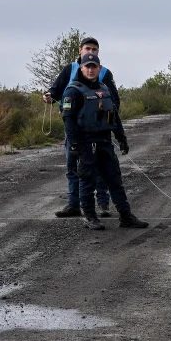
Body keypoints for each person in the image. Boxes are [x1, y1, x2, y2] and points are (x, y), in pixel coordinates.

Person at [60, 55, 148, 230]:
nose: (91, 70)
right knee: (87, 182)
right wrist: (75, 144)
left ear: (99, 69)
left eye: (94, 67)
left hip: (104, 143)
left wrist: (121, 137)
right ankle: (90, 218)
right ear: (81, 68)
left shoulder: (104, 89)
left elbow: (113, 116)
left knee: (114, 180)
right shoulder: (73, 91)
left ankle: (126, 216)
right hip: (85, 144)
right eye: (87, 67)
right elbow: (68, 120)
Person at [45, 36, 118, 217]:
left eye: (94, 49)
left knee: (100, 168)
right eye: (87, 48)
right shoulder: (70, 69)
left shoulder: (105, 73)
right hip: (74, 129)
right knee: (72, 166)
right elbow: (56, 90)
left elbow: (115, 101)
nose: (90, 52)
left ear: (98, 53)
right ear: (80, 50)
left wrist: (110, 122)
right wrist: (49, 96)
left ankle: (103, 205)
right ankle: (74, 204)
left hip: (98, 130)